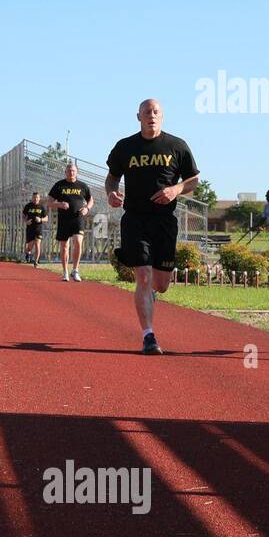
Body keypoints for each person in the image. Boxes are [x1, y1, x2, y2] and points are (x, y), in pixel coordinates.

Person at [106, 99, 200, 355]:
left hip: (165, 221)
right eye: (147, 112)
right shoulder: (125, 147)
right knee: (144, 276)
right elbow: (112, 177)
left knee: (161, 283)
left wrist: (176, 189)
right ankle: (148, 335)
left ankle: (152, 295)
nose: (151, 115)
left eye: (156, 112)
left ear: (162, 117)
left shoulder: (176, 146)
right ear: (138, 116)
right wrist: (112, 193)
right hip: (135, 218)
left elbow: (193, 179)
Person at [47, 161, 93, 281]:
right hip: (64, 220)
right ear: (65, 172)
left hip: (78, 218)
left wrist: (87, 209)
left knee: (78, 242)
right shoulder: (59, 185)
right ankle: (65, 271)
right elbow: (49, 202)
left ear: (77, 172)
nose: (71, 172)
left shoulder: (83, 186)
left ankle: (75, 270)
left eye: (73, 170)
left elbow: (91, 200)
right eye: (68, 170)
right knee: (64, 246)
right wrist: (59, 204)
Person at [21, 191, 47, 265]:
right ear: (32, 198)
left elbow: (46, 218)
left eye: (37, 197)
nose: (35, 199)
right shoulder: (28, 206)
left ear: (39, 198)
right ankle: (28, 253)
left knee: (37, 244)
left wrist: (40, 219)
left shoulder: (42, 207)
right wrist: (26, 221)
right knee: (30, 245)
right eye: (34, 197)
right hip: (30, 228)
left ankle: (36, 261)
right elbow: (23, 215)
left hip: (38, 228)